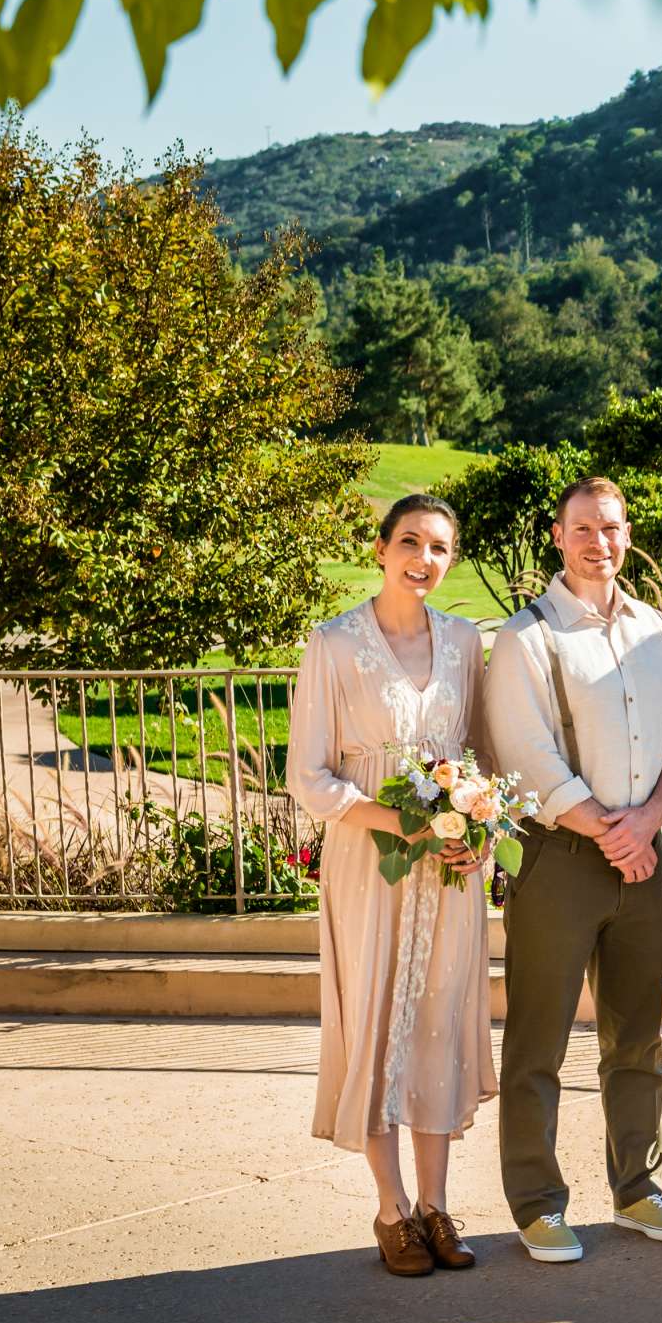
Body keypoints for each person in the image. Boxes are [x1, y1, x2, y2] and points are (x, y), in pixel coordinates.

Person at [484, 476, 662, 1263]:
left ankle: (637, 1189)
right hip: (562, 861)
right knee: (538, 1042)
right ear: (558, 535)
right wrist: (615, 833)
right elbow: (530, 756)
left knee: (638, 1038)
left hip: (644, 856)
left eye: (609, 528)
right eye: (582, 528)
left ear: (626, 533)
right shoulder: (527, 636)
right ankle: (538, 1203)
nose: (597, 542)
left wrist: (649, 823)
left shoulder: (658, 631)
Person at [288, 493, 496, 1277]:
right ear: (380, 549)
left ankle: (437, 1209)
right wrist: (393, 820)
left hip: (448, 871)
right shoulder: (333, 645)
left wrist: (478, 834)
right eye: (409, 541)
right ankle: (390, 1212)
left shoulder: (466, 642)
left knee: (438, 1020)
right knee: (376, 1023)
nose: (424, 558)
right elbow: (307, 777)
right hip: (369, 862)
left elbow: (478, 756)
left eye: (440, 547)